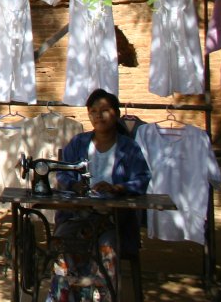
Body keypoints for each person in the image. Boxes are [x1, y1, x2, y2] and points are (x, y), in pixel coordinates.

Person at [47, 89, 151, 302]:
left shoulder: (129, 148)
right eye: (93, 111)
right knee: (62, 244)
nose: (98, 116)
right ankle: (65, 297)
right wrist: (75, 185)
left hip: (114, 221)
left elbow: (142, 179)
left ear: (116, 113)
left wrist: (118, 188)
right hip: (78, 216)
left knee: (107, 248)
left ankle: (100, 297)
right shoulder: (78, 144)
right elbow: (63, 173)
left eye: (104, 110)